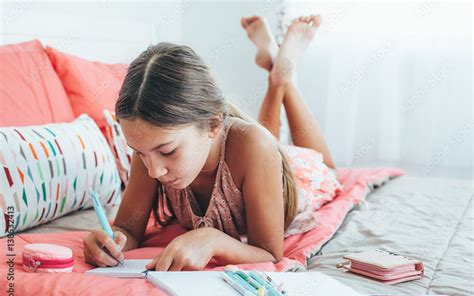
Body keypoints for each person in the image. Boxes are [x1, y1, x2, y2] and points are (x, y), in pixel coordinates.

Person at [83, 14, 341, 271]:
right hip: (256, 155)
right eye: (139, 154)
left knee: (318, 163)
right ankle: (275, 67)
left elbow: (270, 253)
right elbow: (127, 228)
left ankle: (282, 78)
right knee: (261, 141)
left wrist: (212, 240)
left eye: (169, 151)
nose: (154, 172)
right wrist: (109, 242)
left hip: (298, 177)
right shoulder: (151, 150)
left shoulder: (255, 146)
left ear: (213, 125)